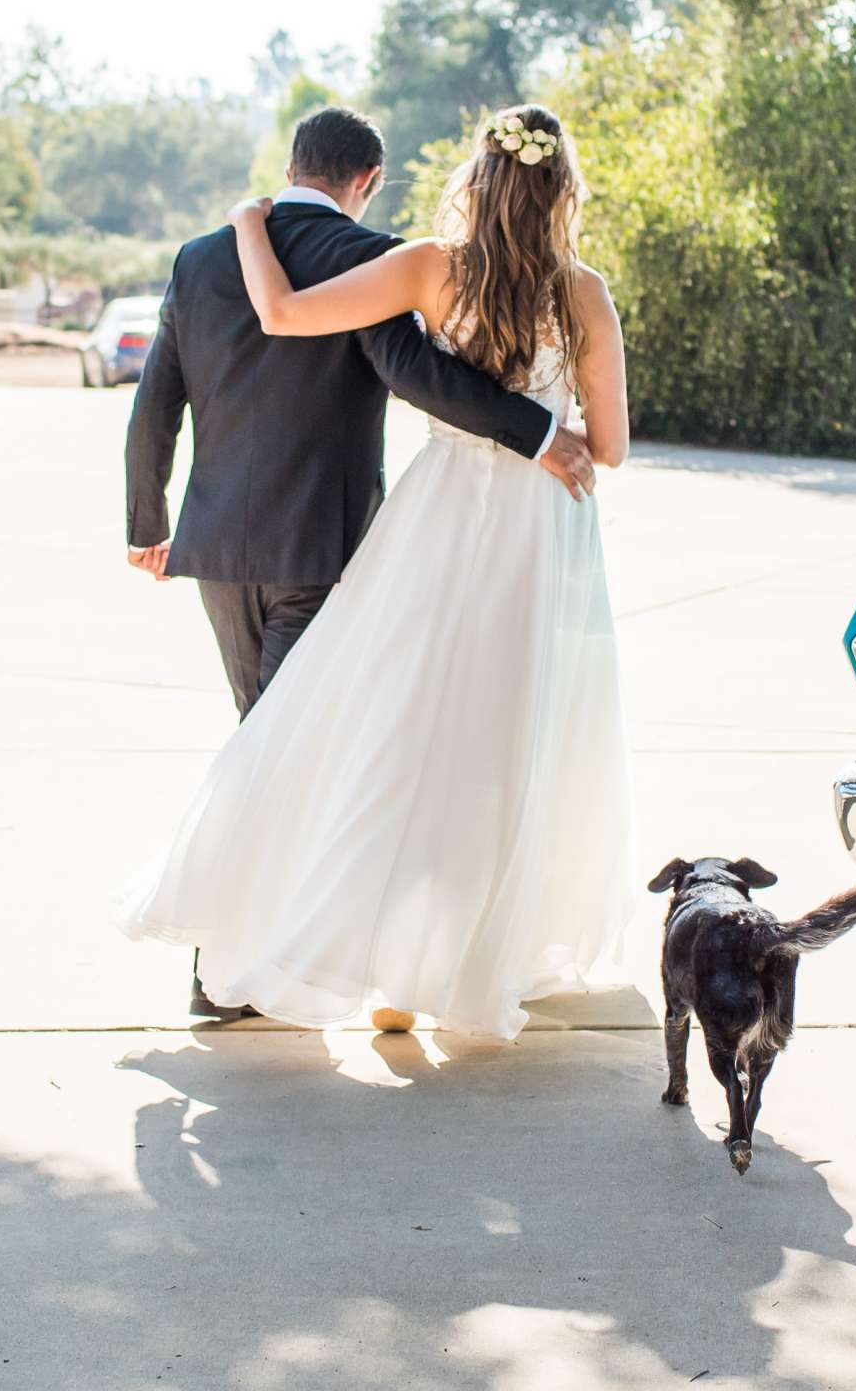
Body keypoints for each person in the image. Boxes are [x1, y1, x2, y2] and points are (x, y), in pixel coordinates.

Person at [117, 104, 639, 1039]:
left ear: (475, 180)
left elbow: (242, 340)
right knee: (510, 734)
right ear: (563, 190)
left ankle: (315, 958)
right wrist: (540, 431)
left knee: (355, 730)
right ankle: (461, 951)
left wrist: (246, 222)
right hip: (525, 530)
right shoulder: (581, 292)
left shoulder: (414, 266)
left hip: (381, 527)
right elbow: (604, 446)